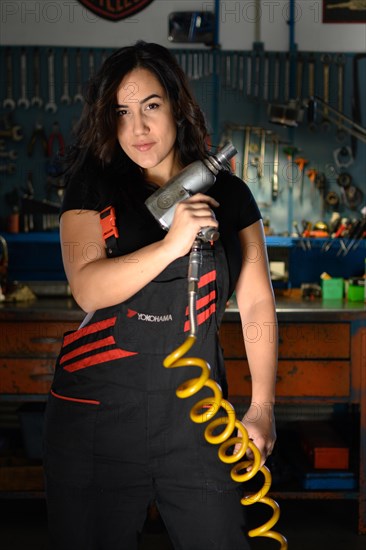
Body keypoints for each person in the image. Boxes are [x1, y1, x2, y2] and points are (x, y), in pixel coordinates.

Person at [43, 40, 278, 550]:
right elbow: (87, 287)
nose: (137, 129)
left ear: (177, 104)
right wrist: (171, 245)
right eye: (120, 113)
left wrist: (261, 405)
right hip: (96, 420)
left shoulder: (230, 194)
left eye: (150, 106)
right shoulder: (91, 185)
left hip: (197, 417)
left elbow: (257, 300)